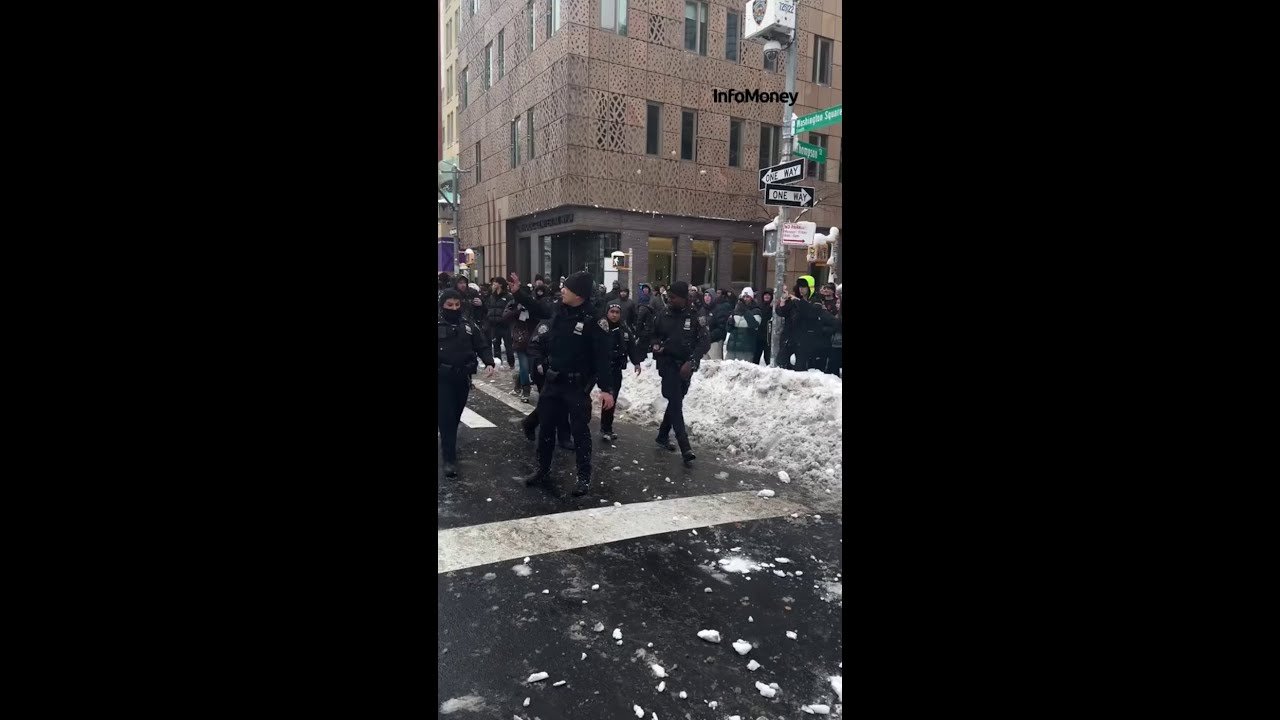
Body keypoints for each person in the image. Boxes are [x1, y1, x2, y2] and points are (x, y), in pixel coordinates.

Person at [513, 271, 616, 497]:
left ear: (578, 294)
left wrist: (606, 389)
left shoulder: (594, 320)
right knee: (546, 428)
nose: (562, 290)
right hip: (553, 382)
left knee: (580, 433)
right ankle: (542, 470)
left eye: (566, 288)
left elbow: (602, 357)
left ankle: (583, 477)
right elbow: (537, 307)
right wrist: (518, 293)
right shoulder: (558, 309)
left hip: (576, 386)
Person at [437, 289, 496, 479]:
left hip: (462, 378)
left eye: (457, 305)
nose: (454, 308)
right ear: (442, 306)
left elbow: (481, 344)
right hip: (442, 379)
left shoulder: (468, 325)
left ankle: (449, 441)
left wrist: (489, 362)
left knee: (455, 415)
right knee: (446, 417)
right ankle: (449, 459)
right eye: (450, 305)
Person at [649, 281, 709, 465]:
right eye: (669, 296)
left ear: (684, 299)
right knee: (675, 402)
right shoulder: (662, 315)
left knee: (676, 401)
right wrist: (655, 345)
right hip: (667, 364)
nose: (670, 300)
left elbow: (704, 342)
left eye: (673, 297)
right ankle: (685, 447)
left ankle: (662, 436)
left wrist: (692, 361)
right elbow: (652, 334)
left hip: (685, 366)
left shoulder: (695, 316)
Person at [598, 301, 644, 442]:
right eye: (612, 312)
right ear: (607, 313)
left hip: (616, 368)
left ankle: (606, 427)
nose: (614, 315)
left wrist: (636, 362)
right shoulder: (601, 327)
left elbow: (631, 346)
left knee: (612, 397)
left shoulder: (624, 329)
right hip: (601, 367)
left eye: (617, 312)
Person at [774, 277, 834, 371]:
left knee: (800, 367)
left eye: (804, 287)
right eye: (800, 287)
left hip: (806, 339)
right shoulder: (795, 300)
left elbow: (813, 312)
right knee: (781, 361)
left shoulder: (816, 300)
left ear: (810, 288)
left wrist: (798, 301)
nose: (801, 289)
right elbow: (781, 312)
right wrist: (783, 300)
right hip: (791, 337)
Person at [504, 292, 539, 400]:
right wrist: (518, 310)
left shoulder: (534, 303)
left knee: (530, 367)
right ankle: (526, 390)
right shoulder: (513, 303)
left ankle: (518, 381)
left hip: (534, 340)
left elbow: (543, 316)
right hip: (520, 340)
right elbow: (505, 317)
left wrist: (531, 309)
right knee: (524, 365)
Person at [486, 277, 515, 369]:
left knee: (508, 346)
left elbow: (512, 310)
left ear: (500, 284)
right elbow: (488, 308)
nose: (493, 284)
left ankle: (511, 364)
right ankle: (498, 365)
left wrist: (507, 319)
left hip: (505, 326)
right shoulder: (491, 296)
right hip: (494, 325)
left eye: (495, 283)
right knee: (496, 346)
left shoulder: (508, 296)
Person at [725, 288, 761, 361]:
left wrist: (745, 311)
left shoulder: (756, 310)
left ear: (752, 298)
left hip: (746, 349)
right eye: (744, 297)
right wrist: (730, 322)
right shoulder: (736, 309)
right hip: (732, 348)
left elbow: (754, 325)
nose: (745, 299)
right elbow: (728, 329)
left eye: (747, 297)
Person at [708, 290, 734, 360]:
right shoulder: (704, 308)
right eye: (705, 295)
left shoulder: (723, 306)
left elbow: (722, 326)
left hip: (716, 340)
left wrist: (710, 336)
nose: (707, 297)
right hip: (705, 341)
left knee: (716, 362)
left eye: (709, 296)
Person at [754, 289, 774, 366]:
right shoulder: (759, 306)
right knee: (756, 358)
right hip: (759, 336)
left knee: (768, 358)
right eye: (765, 295)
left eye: (768, 295)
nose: (766, 296)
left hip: (768, 337)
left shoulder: (774, 308)